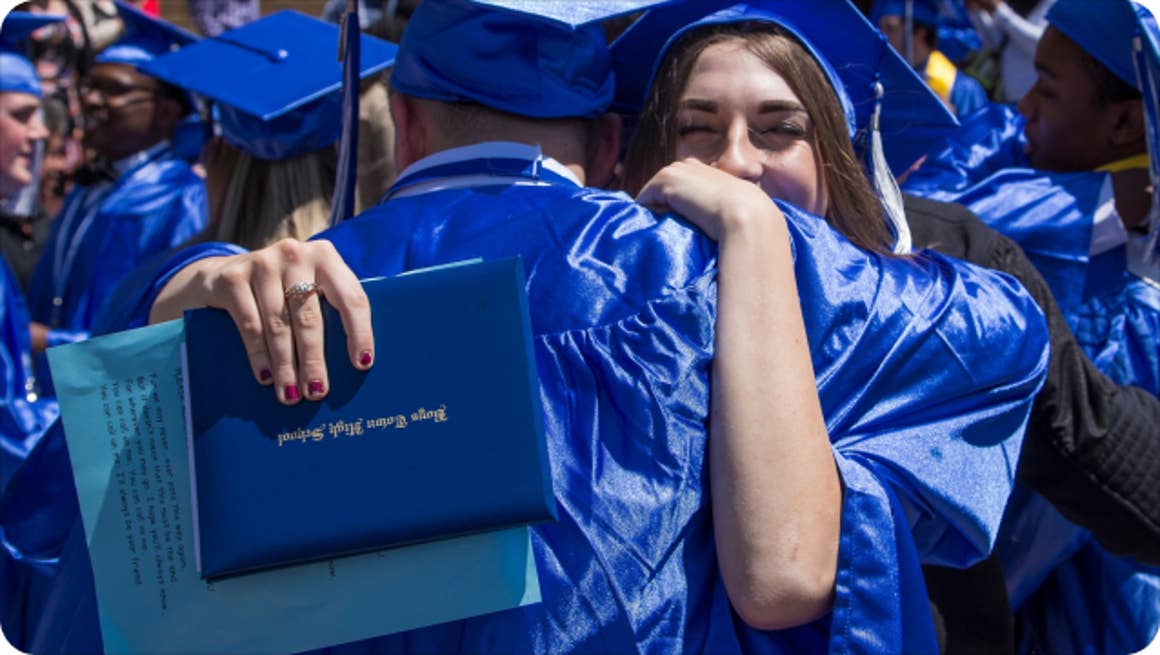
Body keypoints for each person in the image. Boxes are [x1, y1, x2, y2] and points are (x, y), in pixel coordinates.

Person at [20, 1, 1046, 653]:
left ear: (403, 122)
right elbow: (997, 331)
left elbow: (42, 563)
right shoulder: (723, 273)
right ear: (610, 141)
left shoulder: (257, 306)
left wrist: (175, 286)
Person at [903, 1, 1160, 652]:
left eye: (1046, 90)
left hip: (1091, 579)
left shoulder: (1143, 298)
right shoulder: (1023, 157)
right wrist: (1097, 204)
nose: (1022, 108)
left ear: (1127, 121)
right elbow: (940, 220)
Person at [25, 0, 206, 374]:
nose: (90, 100)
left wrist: (46, 342)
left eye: (113, 90)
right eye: (89, 86)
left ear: (167, 112)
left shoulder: (181, 199)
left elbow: (162, 332)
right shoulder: (88, 189)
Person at [874, 0, 990, 118]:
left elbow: (980, 135)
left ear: (920, 32)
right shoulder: (877, 85)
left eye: (890, 27)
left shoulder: (962, 90)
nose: (882, 35)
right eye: (880, 27)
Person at [965, 0, 1056, 103]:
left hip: (1035, 104)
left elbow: (1043, 47)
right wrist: (977, 11)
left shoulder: (1058, 4)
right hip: (1006, 100)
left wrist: (999, 11)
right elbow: (996, 43)